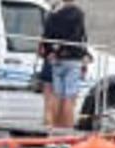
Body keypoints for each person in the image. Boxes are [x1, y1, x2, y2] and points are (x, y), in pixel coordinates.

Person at [41, 0, 89, 129]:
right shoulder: (78, 13)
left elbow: (46, 35)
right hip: (73, 58)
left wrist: (51, 52)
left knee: (56, 95)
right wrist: (85, 54)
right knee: (70, 98)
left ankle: (55, 133)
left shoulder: (53, 13)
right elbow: (80, 36)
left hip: (57, 60)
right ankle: (67, 134)